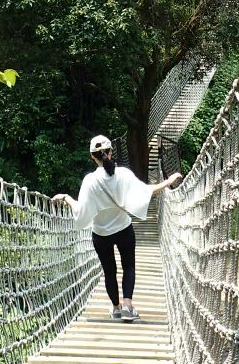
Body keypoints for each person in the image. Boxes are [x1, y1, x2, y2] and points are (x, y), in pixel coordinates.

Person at [53, 134, 182, 322]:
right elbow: (147, 191)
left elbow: (81, 211)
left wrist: (66, 198)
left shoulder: (89, 181)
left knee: (109, 271)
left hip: (101, 234)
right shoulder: (123, 174)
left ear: (92, 156)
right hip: (123, 230)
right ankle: (128, 306)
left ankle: (116, 308)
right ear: (111, 152)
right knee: (128, 266)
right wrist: (168, 182)